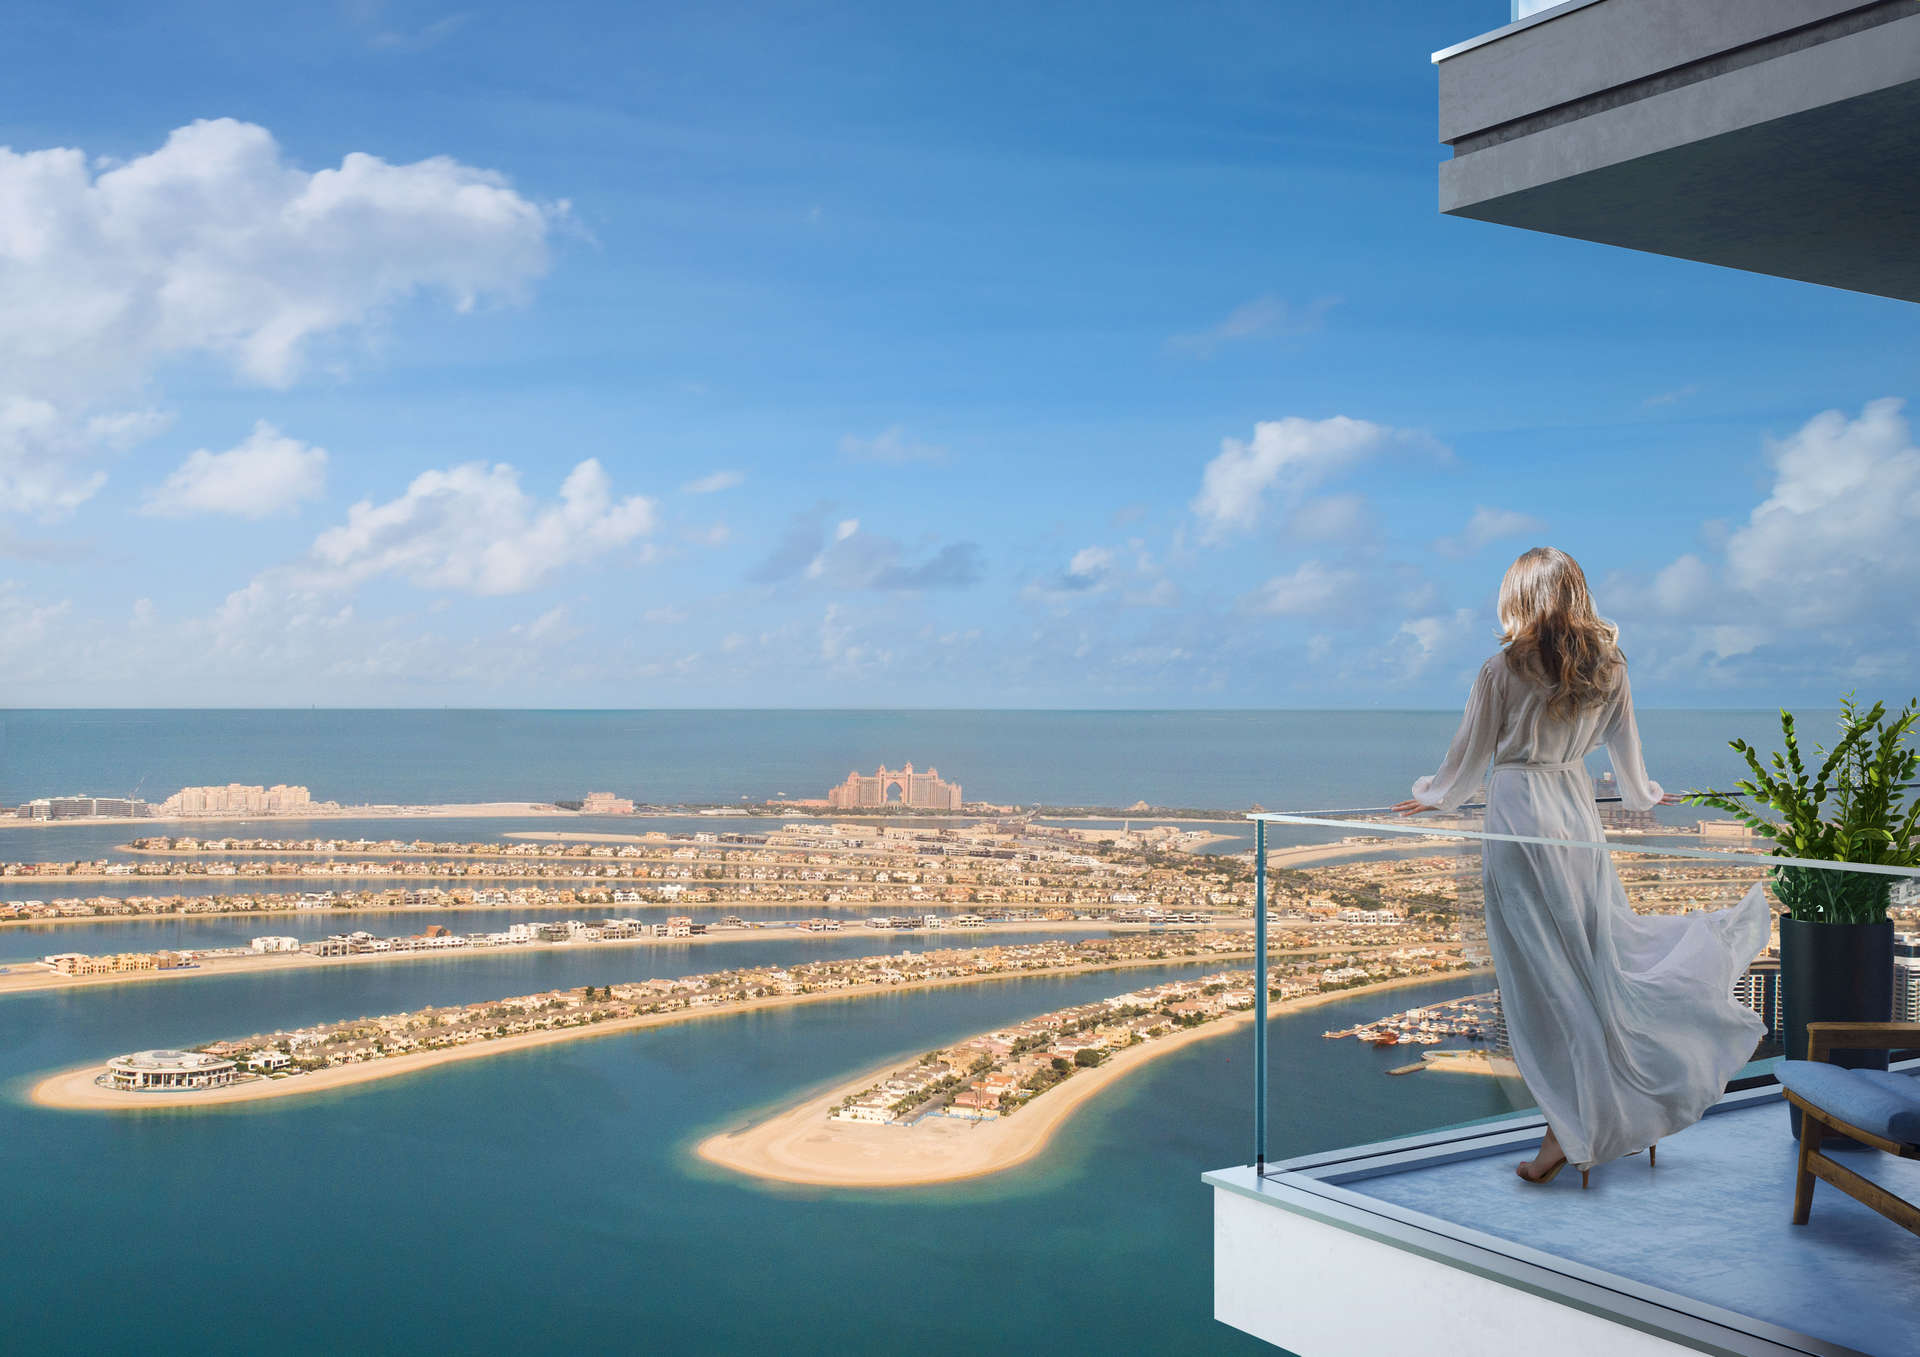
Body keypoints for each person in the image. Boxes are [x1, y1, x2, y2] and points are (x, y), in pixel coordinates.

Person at [1393, 547, 1768, 1187]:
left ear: (1519, 597)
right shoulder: (1609, 666)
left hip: (1518, 817)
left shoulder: (1503, 668)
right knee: (1595, 957)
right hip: (1576, 810)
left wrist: (1432, 793)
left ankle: (1571, 1130)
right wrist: (1646, 794)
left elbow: (1467, 760)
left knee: (1544, 980)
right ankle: (1612, 1112)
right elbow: (1628, 755)